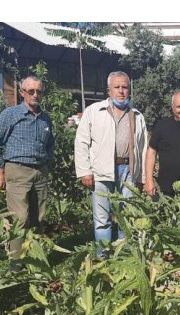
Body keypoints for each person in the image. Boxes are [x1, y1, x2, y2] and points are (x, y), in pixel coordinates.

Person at [74, 71, 148, 257]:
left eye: (125, 87)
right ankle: (103, 255)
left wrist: (143, 177)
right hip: (101, 169)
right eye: (117, 87)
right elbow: (82, 142)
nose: (121, 91)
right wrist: (84, 171)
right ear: (109, 89)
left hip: (128, 170)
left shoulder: (137, 115)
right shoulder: (94, 111)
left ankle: (125, 254)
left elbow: (144, 147)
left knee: (128, 214)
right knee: (102, 217)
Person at [0, 75, 55, 262]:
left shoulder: (45, 119)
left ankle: (34, 257)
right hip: (18, 169)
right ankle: (16, 262)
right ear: (22, 92)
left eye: (39, 91)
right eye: (31, 91)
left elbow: (50, 144)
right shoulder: (11, 115)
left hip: (40, 171)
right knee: (20, 218)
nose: (35, 95)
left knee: (39, 217)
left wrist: (45, 161)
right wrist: (0, 167)